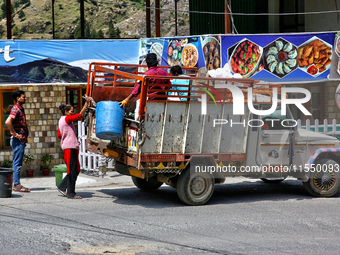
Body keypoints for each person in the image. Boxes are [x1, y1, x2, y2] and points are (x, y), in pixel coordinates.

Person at [57, 97, 92, 199]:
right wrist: (86, 104)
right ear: (66, 112)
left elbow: (59, 135)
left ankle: (62, 186)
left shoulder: (63, 121)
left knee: (76, 169)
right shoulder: (66, 119)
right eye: (71, 111)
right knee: (72, 170)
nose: (72, 113)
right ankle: (70, 193)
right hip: (69, 147)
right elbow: (80, 115)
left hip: (70, 146)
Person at [5, 90, 30, 192]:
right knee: (17, 163)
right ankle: (17, 184)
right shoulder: (16, 109)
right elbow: (8, 122)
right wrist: (16, 134)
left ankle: (16, 183)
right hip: (17, 141)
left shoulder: (20, 108)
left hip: (20, 141)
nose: (25, 98)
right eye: (23, 97)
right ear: (17, 98)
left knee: (17, 162)